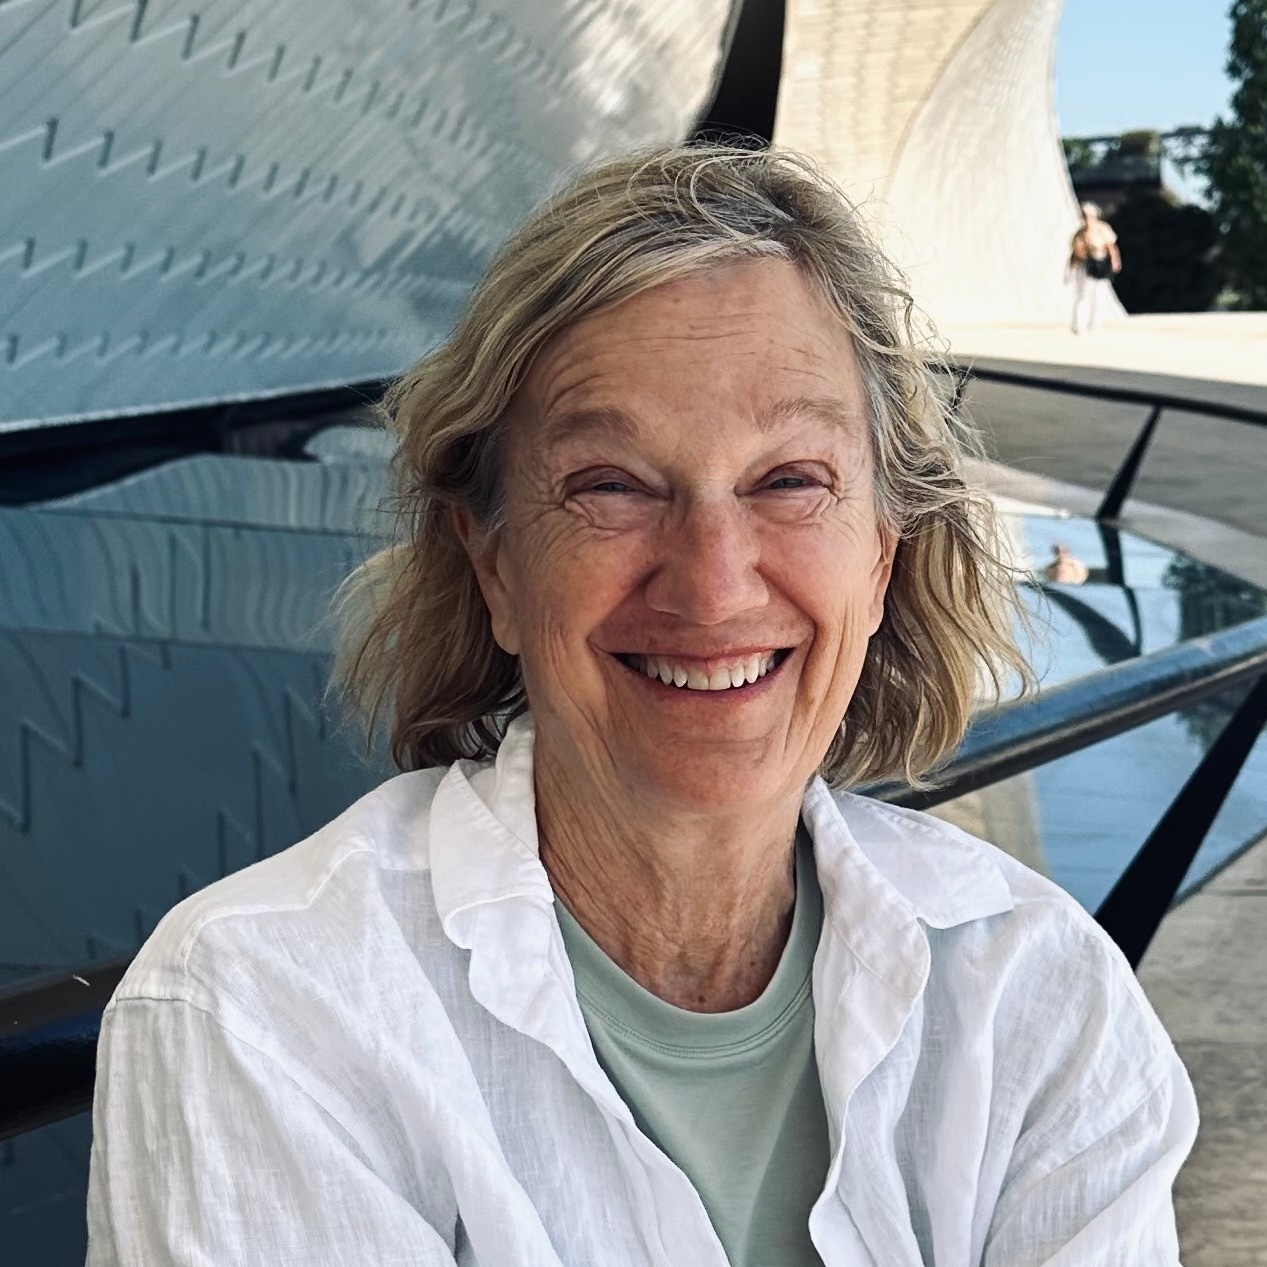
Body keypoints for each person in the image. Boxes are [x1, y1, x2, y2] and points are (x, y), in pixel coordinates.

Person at [85, 146, 1196, 1266]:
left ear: (879, 554)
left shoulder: (1037, 993)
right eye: (610, 485)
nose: (711, 584)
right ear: (494, 564)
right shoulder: (267, 1011)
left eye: (789, 480)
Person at [1067, 200, 1122, 334]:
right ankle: (1079, 324)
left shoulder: (1103, 229)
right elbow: (1075, 253)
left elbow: (1111, 247)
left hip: (1100, 264)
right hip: (1085, 265)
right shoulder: (1080, 233)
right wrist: (1070, 269)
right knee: (1083, 295)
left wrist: (1115, 262)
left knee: (1098, 296)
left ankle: (1094, 324)